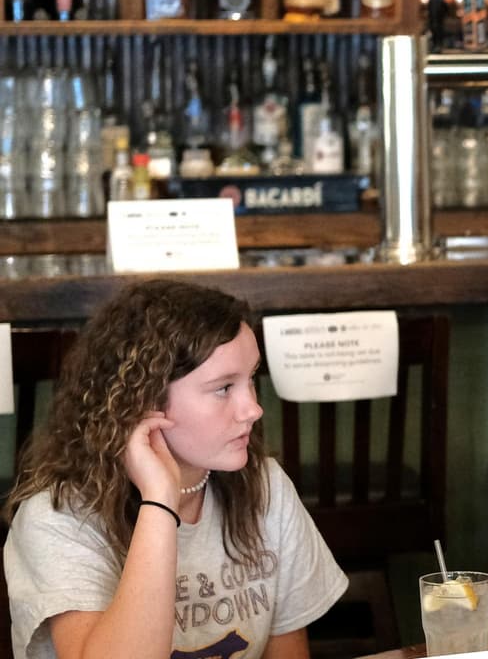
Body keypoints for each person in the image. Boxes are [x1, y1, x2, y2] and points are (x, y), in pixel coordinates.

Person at [4, 280, 348, 659]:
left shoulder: (265, 487)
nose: (253, 408)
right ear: (145, 401)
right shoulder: (56, 519)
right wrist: (159, 501)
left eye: (250, 378)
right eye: (223, 388)